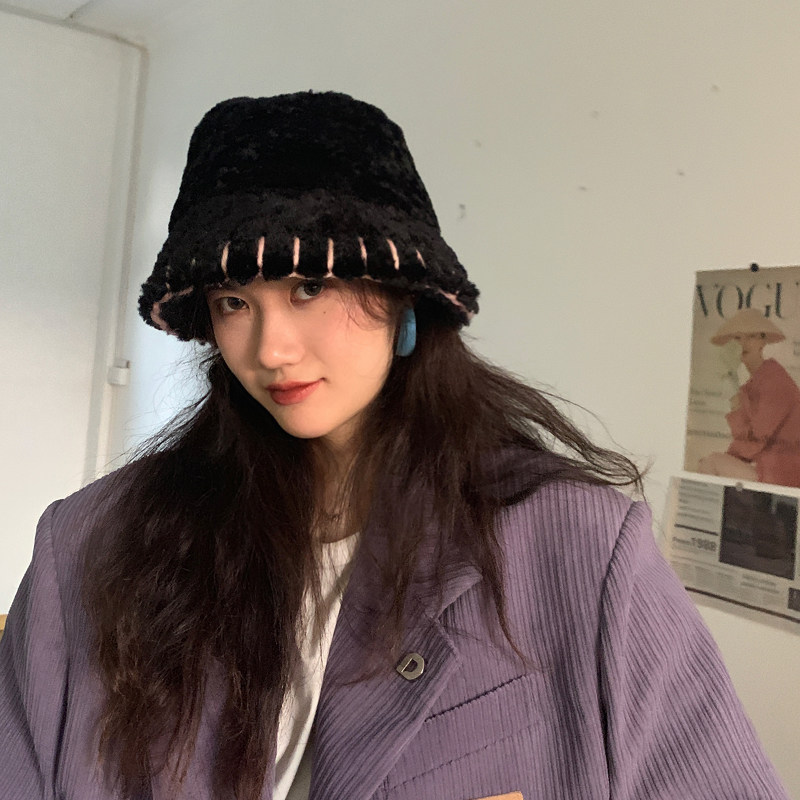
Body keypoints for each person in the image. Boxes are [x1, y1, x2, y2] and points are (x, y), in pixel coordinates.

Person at [0, 92, 789, 800]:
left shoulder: (575, 548)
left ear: (406, 297)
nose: (270, 348)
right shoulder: (92, 544)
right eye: (234, 301)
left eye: (310, 287)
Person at [698, 308, 800, 488]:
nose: (744, 343)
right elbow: (743, 436)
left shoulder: (775, 379)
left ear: (763, 341)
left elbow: (755, 439)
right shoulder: (750, 386)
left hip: (783, 473)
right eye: (738, 338)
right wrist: (732, 388)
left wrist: (725, 458)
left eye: (752, 336)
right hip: (766, 467)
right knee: (707, 462)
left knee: (711, 463)